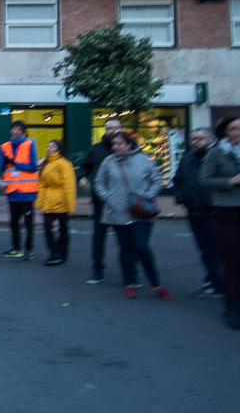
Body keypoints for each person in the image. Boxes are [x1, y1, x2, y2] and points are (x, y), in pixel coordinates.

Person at [200, 115, 240, 330]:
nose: (238, 132)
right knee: (231, 263)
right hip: (226, 211)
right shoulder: (217, 151)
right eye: (233, 128)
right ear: (225, 131)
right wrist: (231, 181)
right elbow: (205, 180)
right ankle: (231, 310)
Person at [94, 132, 171, 300]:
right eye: (114, 145)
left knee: (142, 246)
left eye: (120, 144)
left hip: (140, 210)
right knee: (125, 248)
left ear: (129, 144)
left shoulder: (143, 159)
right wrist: (107, 198)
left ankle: (156, 283)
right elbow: (99, 182)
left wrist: (148, 195)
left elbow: (156, 179)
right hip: (117, 211)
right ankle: (129, 283)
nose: (116, 147)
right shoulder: (108, 162)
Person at [172, 127, 225, 299]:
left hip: (214, 211)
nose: (195, 142)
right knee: (205, 249)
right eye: (193, 139)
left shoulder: (219, 157)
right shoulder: (187, 159)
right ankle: (212, 280)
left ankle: (220, 283)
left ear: (210, 140)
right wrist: (181, 197)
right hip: (194, 210)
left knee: (218, 248)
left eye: (199, 139)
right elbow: (178, 180)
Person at [77, 116, 123, 284]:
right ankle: (97, 271)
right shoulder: (96, 149)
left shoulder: (129, 147)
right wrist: (82, 177)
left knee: (125, 239)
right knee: (99, 236)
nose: (113, 131)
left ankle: (129, 273)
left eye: (116, 128)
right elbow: (85, 166)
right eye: (110, 128)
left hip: (123, 201)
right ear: (105, 130)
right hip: (101, 200)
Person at [0, 121, 39, 259]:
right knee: (14, 222)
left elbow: (33, 166)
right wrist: (5, 161)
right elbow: (2, 167)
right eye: (14, 128)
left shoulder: (29, 144)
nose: (15, 131)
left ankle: (29, 250)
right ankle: (16, 248)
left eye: (19, 129)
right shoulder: (4, 147)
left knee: (28, 222)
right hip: (12, 191)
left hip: (27, 192)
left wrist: (16, 163)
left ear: (23, 132)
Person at [38, 139, 76, 265]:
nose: (49, 148)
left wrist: (69, 204)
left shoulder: (64, 164)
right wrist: (40, 202)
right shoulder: (46, 164)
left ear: (58, 149)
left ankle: (62, 254)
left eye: (52, 146)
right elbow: (42, 185)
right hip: (48, 202)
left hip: (61, 202)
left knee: (63, 229)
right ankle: (54, 253)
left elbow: (69, 185)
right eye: (48, 146)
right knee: (47, 228)